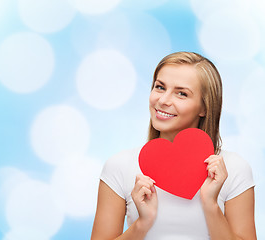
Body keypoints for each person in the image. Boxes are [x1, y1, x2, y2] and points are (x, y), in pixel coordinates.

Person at [91, 52, 256, 239]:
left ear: (204, 107)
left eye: (181, 93)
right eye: (160, 87)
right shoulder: (119, 166)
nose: (163, 101)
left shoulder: (232, 169)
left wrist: (210, 205)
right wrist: (142, 224)